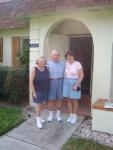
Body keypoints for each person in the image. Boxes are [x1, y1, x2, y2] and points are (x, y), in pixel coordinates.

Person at [63, 51, 84, 124]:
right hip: (66, 83)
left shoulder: (77, 64)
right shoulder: (66, 63)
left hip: (75, 82)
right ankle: (71, 115)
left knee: (75, 100)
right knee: (68, 99)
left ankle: (74, 116)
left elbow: (81, 75)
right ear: (66, 57)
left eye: (70, 55)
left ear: (73, 56)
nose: (69, 57)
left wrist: (77, 84)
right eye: (67, 56)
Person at [30, 56, 50, 128]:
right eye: (40, 61)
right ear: (37, 62)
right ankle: (38, 119)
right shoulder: (34, 70)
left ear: (45, 62)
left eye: (43, 61)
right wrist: (34, 92)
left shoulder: (46, 69)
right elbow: (31, 82)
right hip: (37, 90)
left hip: (45, 90)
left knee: (42, 105)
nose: (42, 62)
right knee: (38, 105)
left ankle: (39, 117)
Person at [47, 50, 65, 122]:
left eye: (57, 55)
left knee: (60, 99)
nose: (55, 57)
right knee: (51, 99)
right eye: (54, 55)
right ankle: (50, 115)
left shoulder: (63, 64)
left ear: (59, 56)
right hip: (51, 82)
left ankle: (58, 114)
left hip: (60, 81)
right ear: (51, 56)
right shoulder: (47, 63)